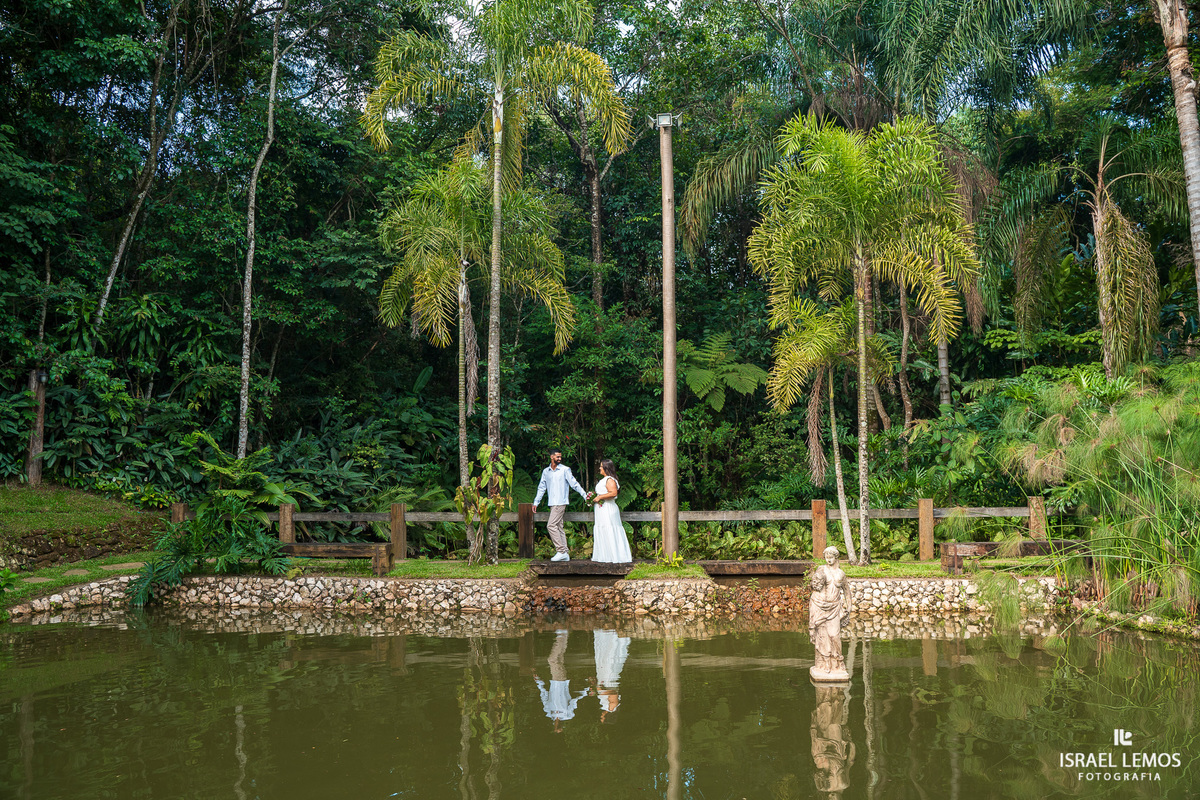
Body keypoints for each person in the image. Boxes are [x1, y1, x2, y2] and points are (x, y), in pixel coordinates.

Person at [532, 448, 590, 562]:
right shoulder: (546, 471)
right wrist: (536, 502)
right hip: (552, 503)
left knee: (551, 526)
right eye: (557, 457)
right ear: (551, 457)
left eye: (560, 457)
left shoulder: (565, 470)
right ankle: (565, 553)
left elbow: (574, 484)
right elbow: (541, 487)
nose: (559, 459)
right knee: (558, 527)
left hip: (560, 502)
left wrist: (585, 495)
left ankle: (561, 551)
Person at [809, 546, 851, 681]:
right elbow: (815, 586)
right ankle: (826, 663)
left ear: (836, 557)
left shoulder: (841, 574)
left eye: (831, 557)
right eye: (827, 557)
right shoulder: (821, 570)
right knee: (823, 636)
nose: (829, 560)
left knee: (834, 636)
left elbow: (847, 591)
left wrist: (848, 607)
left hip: (834, 608)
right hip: (820, 607)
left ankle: (839, 661)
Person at [535, 629, 588, 732]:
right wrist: (586, 690)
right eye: (558, 728)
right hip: (561, 681)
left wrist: (538, 681)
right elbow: (574, 700)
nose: (557, 726)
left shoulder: (548, 712)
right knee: (552, 660)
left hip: (554, 681)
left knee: (559, 657)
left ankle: (564, 634)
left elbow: (544, 694)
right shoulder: (568, 714)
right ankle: (561, 634)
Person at [589, 459, 632, 563]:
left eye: (601, 466)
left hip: (608, 509)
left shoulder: (609, 480)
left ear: (606, 468)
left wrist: (600, 497)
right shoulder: (604, 480)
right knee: (602, 529)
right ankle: (605, 556)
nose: (599, 468)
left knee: (609, 528)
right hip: (601, 509)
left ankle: (615, 556)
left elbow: (613, 493)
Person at [592, 628, 630, 723]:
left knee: (603, 658)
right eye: (602, 719)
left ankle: (607, 633)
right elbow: (613, 693)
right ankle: (612, 635)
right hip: (609, 679)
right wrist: (599, 690)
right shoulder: (612, 707)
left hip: (604, 679)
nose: (601, 717)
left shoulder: (607, 707)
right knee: (609, 659)